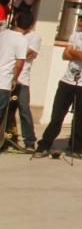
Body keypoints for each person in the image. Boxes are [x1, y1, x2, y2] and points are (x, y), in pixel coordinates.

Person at [34, 8, 82, 158]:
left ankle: (76, 148)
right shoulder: (76, 34)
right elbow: (65, 55)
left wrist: (74, 52)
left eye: (80, 18)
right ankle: (44, 145)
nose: (78, 21)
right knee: (57, 115)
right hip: (68, 79)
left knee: (79, 117)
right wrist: (77, 53)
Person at [0, 11, 30, 141]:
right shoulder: (22, 40)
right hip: (3, 82)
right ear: (29, 26)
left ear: (16, 21)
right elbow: (19, 63)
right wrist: (14, 79)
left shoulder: (3, 34)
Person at [12, 13, 40, 150]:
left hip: (22, 80)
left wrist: (14, 54)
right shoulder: (10, 35)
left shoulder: (35, 37)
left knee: (24, 110)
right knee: (7, 111)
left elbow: (30, 53)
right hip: (7, 78)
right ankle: (10, 137)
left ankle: (29, 141)